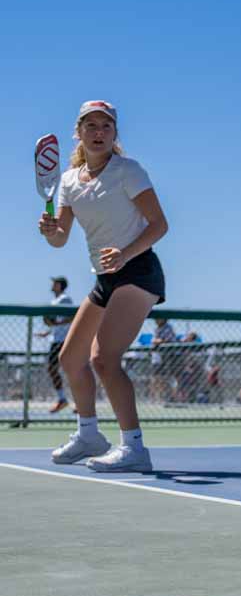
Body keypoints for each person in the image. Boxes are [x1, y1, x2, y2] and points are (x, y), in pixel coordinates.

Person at [38, 99, 168, 472]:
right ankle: (89, 434)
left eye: (105, 126)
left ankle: (134, 448)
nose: (98, 132)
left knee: (103, 359)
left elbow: (159, 225)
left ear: (115, 134)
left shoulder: (128, 171)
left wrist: (126, 253)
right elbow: (60, 237)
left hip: (139, 270)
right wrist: (50, 230)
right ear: (77, 133)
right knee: (70, 359)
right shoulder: (67, 182)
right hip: (105, 278)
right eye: (90, 126)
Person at [35, 276, 73, 413]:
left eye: (54, 282)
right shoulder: (54, 301)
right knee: (53, 369)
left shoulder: (65, 299)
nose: (52, 284)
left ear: (59, 285)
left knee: (71, 369)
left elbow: (72, 317)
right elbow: (55, 322)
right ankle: (63, 399)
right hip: (56, 340)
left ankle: (78, 402)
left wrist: (55, 324)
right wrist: (47, 332)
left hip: (64, 340)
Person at [150, 317, 177, 402]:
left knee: (166, 378)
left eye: (158, 318)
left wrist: (157, 341)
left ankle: (167, 398)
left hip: (167, 357)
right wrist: (156, 341)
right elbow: (154, 341)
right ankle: (156, 398)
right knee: (155, 378)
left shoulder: (168, 328)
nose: (156, 320)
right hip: (157, 357)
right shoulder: (157, 329)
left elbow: (165, 340)